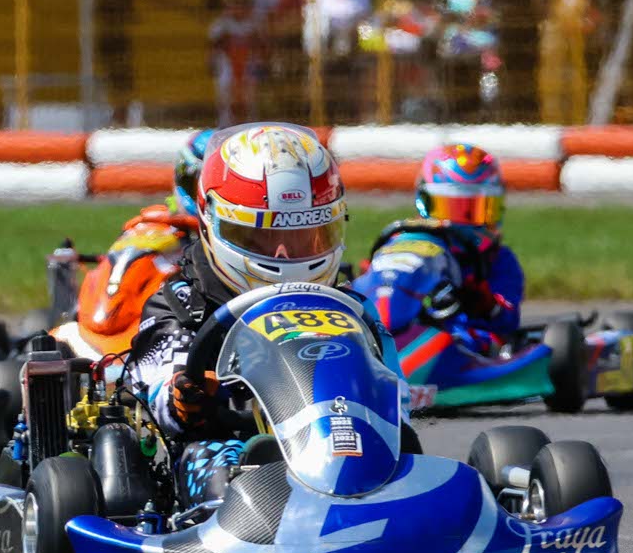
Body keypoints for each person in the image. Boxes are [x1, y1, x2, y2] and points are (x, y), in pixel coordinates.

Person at [124, 123, 399, 504]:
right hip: (231, 450)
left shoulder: (353, 308)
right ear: (213, 222)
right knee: (221, 460)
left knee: (405, 452)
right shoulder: (181, 304)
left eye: (306, 238)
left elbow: (395, 394)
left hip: (340, 442)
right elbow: (158, 399)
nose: (286, 254)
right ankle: (248, 523)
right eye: (264, 239)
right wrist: (185, 394)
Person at [399, 142, 523, 350]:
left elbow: (508, 321)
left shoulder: (499, 260)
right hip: (408, 335)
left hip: (467, 342)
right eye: (452, 209)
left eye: (475, 211)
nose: (462, 225)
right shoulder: (407, 248)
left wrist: (486, 303)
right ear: (425, 202)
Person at [95, 0, 148, 125]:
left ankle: (119, 117)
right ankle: (118, 117)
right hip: (112, 37)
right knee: (118, 79)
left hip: (115, 36)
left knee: (121, 79)